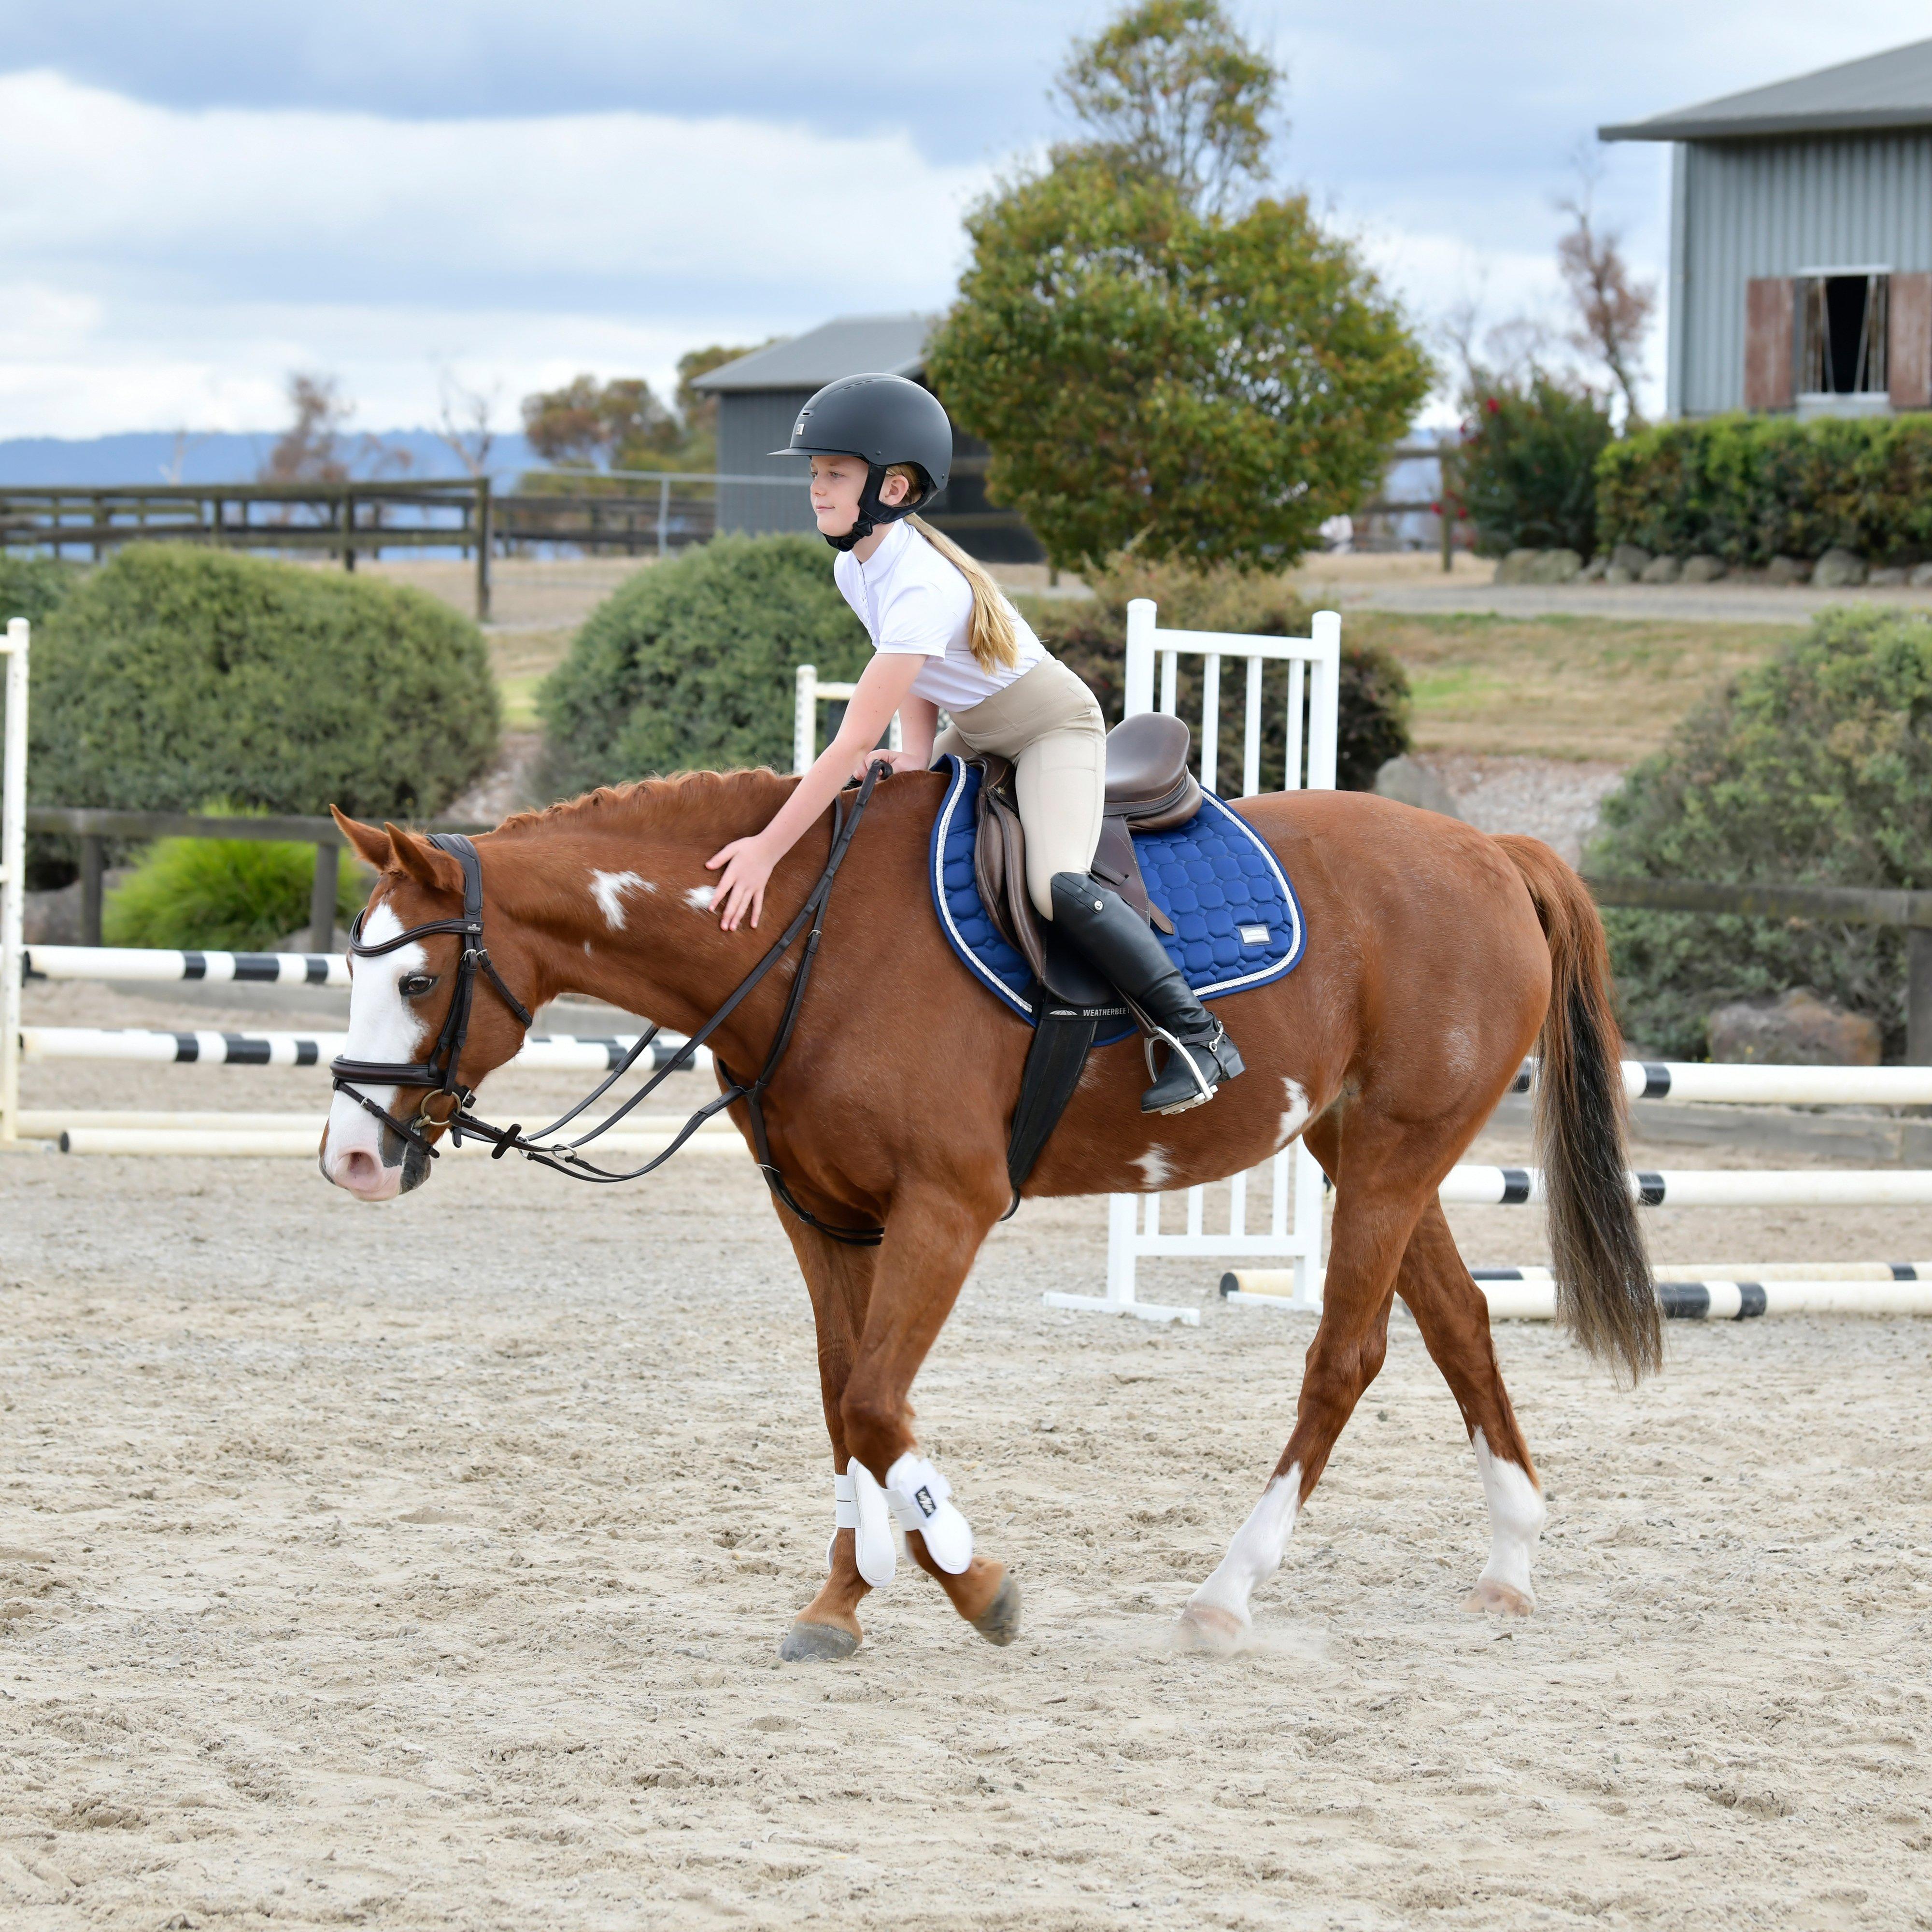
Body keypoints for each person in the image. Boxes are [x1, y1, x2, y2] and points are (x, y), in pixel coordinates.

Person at [704, 373, 1243, 1115]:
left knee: (1054, 885)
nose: (816, 488)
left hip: (1050, 726)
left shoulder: (921, 583)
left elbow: (850, 742)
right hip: (980, 725)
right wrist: (920, 754)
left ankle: (1198, 1033)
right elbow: (920, 676)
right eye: (814, 473)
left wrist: (766, 848)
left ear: (893, 489)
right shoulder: (855, 567)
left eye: (834, 473)